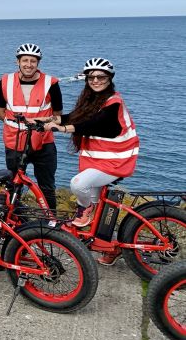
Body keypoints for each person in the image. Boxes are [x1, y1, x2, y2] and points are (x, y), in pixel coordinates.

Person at [44, 58, 139, 264]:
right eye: (91, 77)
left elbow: (99, 125)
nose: (96, 80)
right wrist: (49, 120)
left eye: (101, 77)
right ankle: (109, 247)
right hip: (100, 161)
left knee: (79, 184)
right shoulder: (92, 100)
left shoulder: (113, 102)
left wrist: (64, 129)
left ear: (110, 78)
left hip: (116, 161)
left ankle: (83, 212)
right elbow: (76, 117)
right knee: (99, 212)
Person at [0, 43, 62, 209]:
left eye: (33, 61)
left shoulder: (51, 83)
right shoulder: (5, 82)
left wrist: (39, 124)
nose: (29, 64)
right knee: (14, 185)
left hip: (43, 142)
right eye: (25, 60)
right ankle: (14, 221)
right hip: (14, 142)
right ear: (18, 62)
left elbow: (58, 116)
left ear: (38, 63)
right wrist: (16, 125)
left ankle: (50, 222)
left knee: (47, 186)